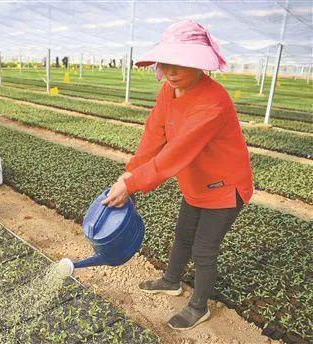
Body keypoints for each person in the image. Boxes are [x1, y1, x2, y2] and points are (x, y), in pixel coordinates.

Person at [101, 20, 253, 331]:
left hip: (225, 187)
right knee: (183, 236)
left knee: (203, 249)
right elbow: (154, 135)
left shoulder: (213, 102)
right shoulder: (168, 91)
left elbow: (176, 153)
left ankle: (199, 306)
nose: (170, 70)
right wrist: (131, 170)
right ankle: (171, 281)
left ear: (200, 64)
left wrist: (131, 184)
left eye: (180, 63)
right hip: (196, 183)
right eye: (167, 62)